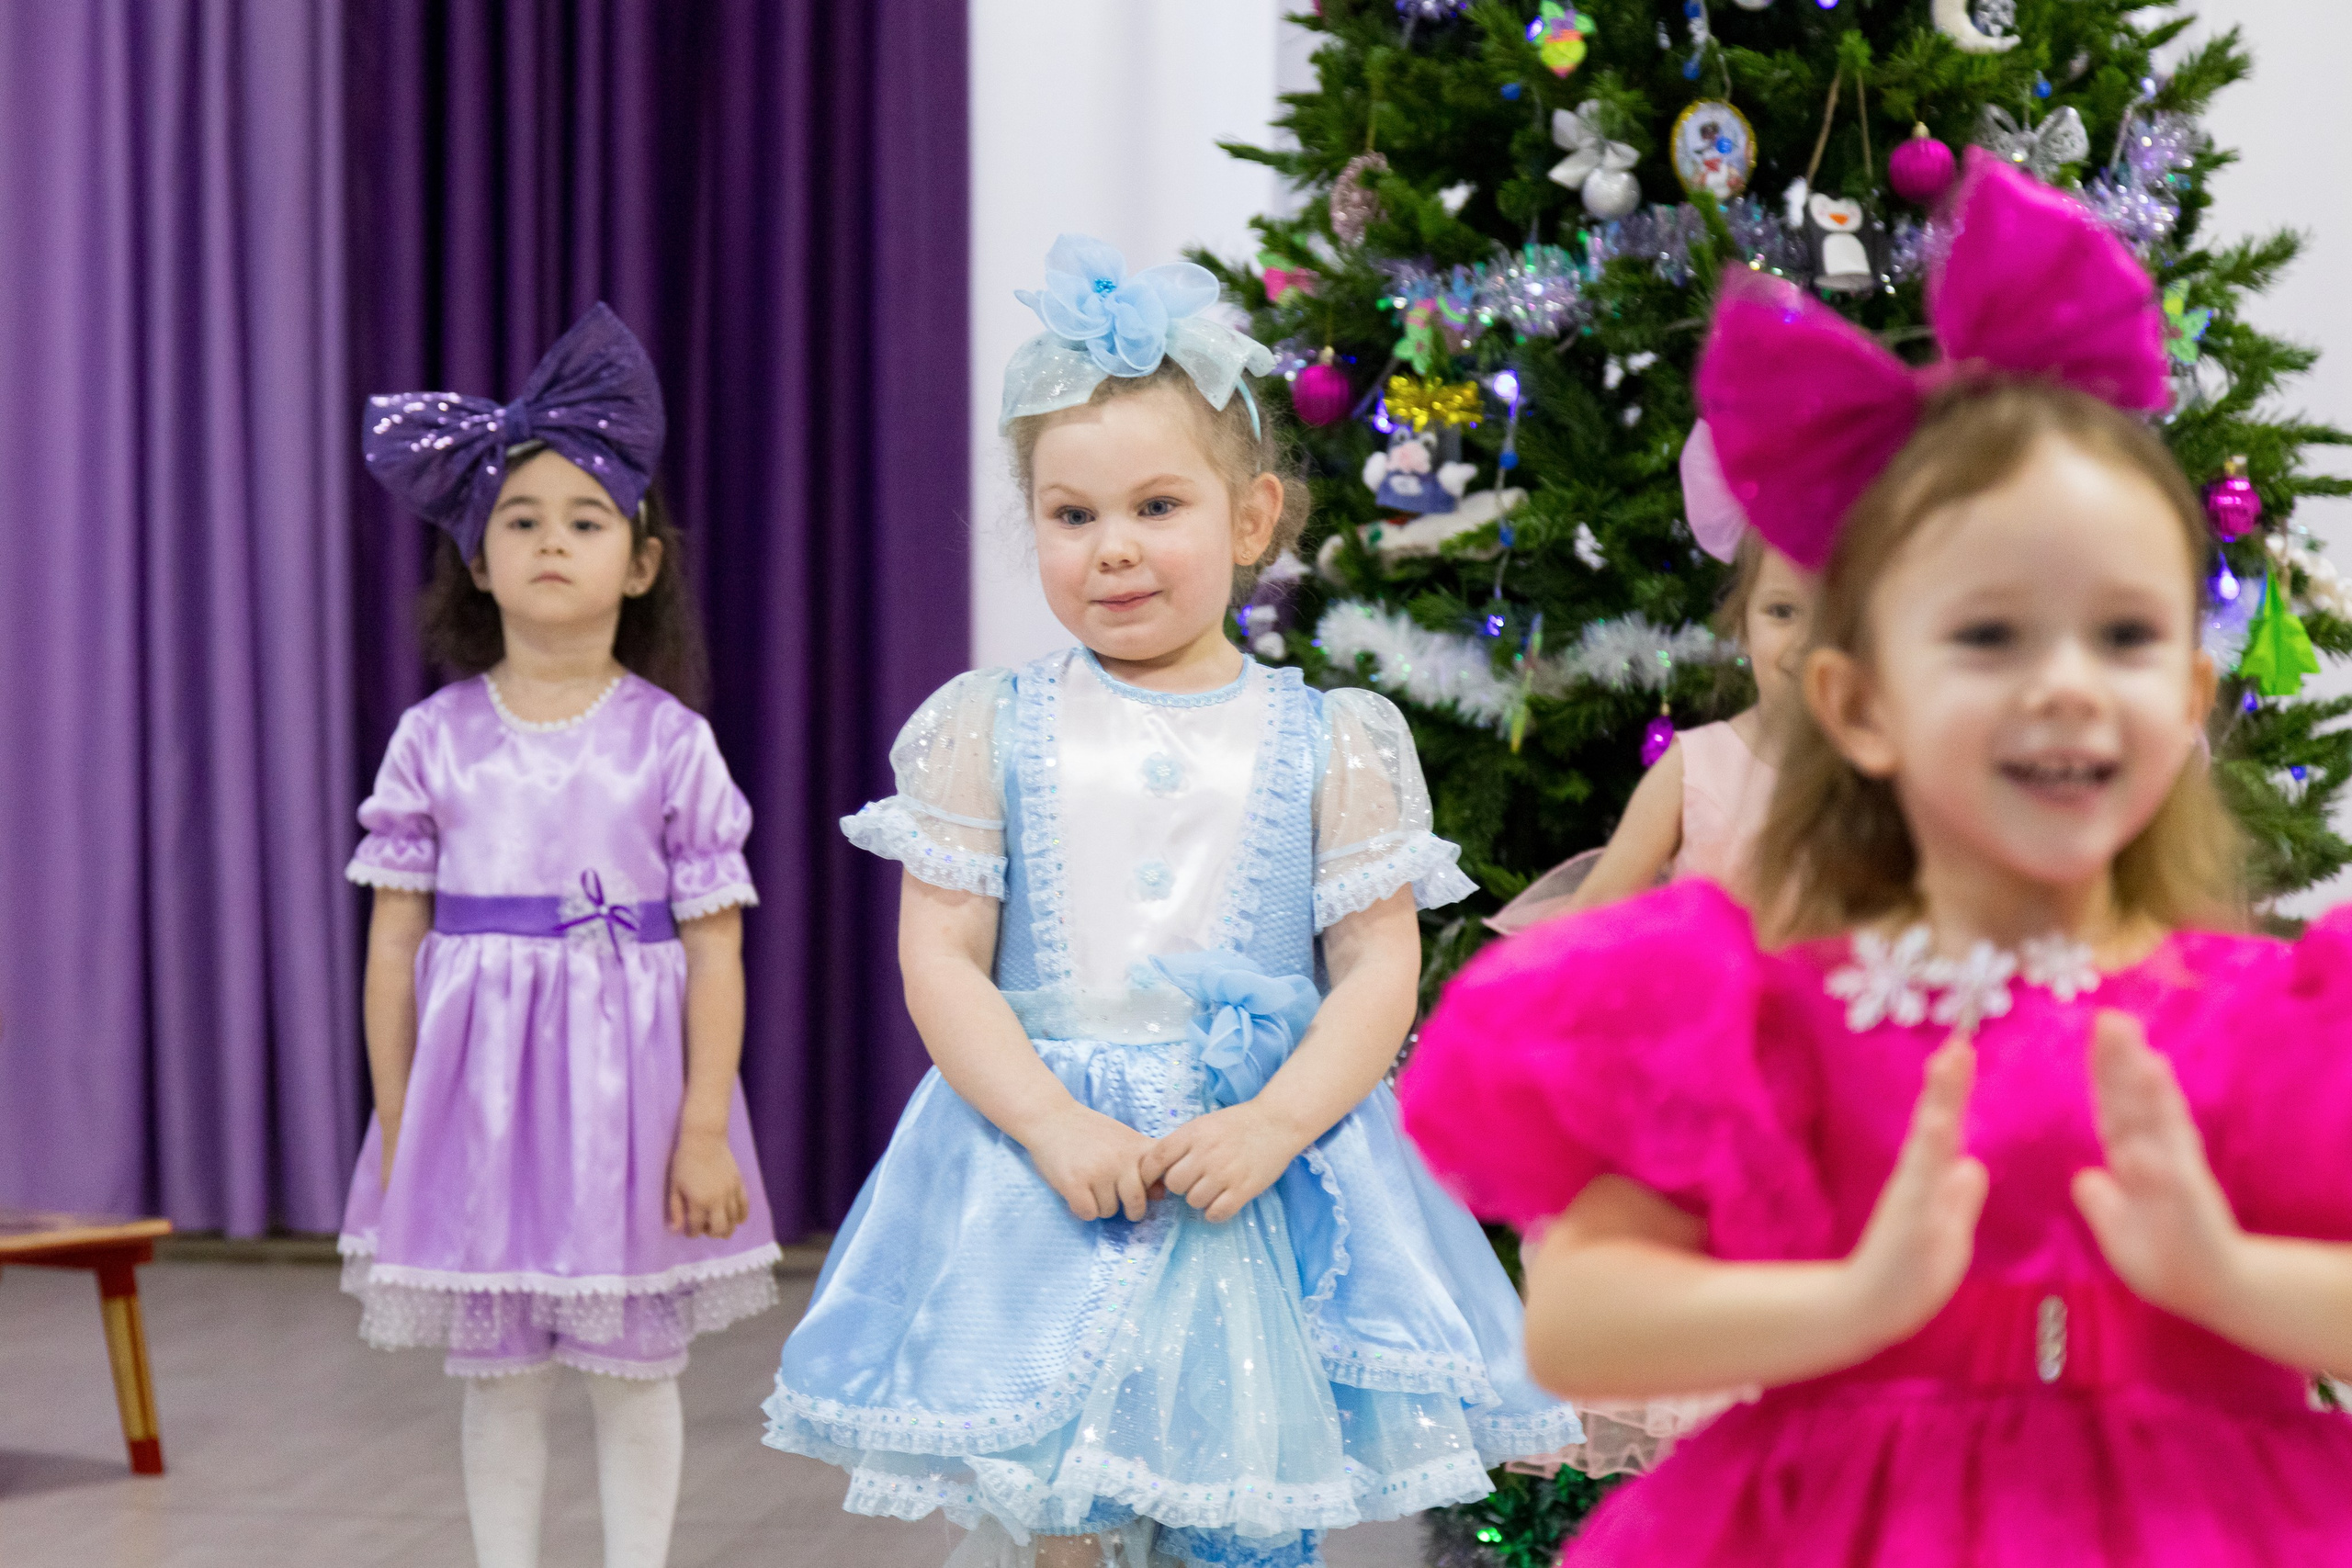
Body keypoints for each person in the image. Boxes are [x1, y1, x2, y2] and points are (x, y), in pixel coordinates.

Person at [1400, 152, 2352, 1565]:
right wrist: (1856, 1298)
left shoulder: (2259, 1019)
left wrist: (2215, 1272)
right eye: (1987, 634)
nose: (2066, 684)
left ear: (2192, 703)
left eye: (2127, 635)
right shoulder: (1759, 1012)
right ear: (1857, 699)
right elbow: (1581, 1317)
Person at [763, 236, 1578, 1568]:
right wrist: (1046, 1115)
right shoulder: (988, 726)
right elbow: (944, 957)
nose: (1114, 550)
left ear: (1252, 516)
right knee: (1058, 1511)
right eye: (1072, 515)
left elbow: (1377, 968)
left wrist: (1278, 1117)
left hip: (1249, 1178)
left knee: (1244, 1510)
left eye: (1157, 506)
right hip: (1048, 1168)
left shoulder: (1335, 738)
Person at [342, 304, 780, 1568]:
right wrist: (398, 1109)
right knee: (500, 1376)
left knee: (634, 1369)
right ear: (476, 560)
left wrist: (703, 1125)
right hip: (473, 1103)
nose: (551, 543)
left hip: (627, 1103)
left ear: (640, 563)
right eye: (520, 521)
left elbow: (715, 949)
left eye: (585, 521)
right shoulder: (433, 738)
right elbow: (392, 944)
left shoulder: (670, 742)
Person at [1489, 534, 1815, 933]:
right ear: (1743, 625)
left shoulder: (1895, 765)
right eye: (1782, 611)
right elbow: (1593, 916)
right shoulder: (1693, 768)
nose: (1806, 640)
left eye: (1837, 615)